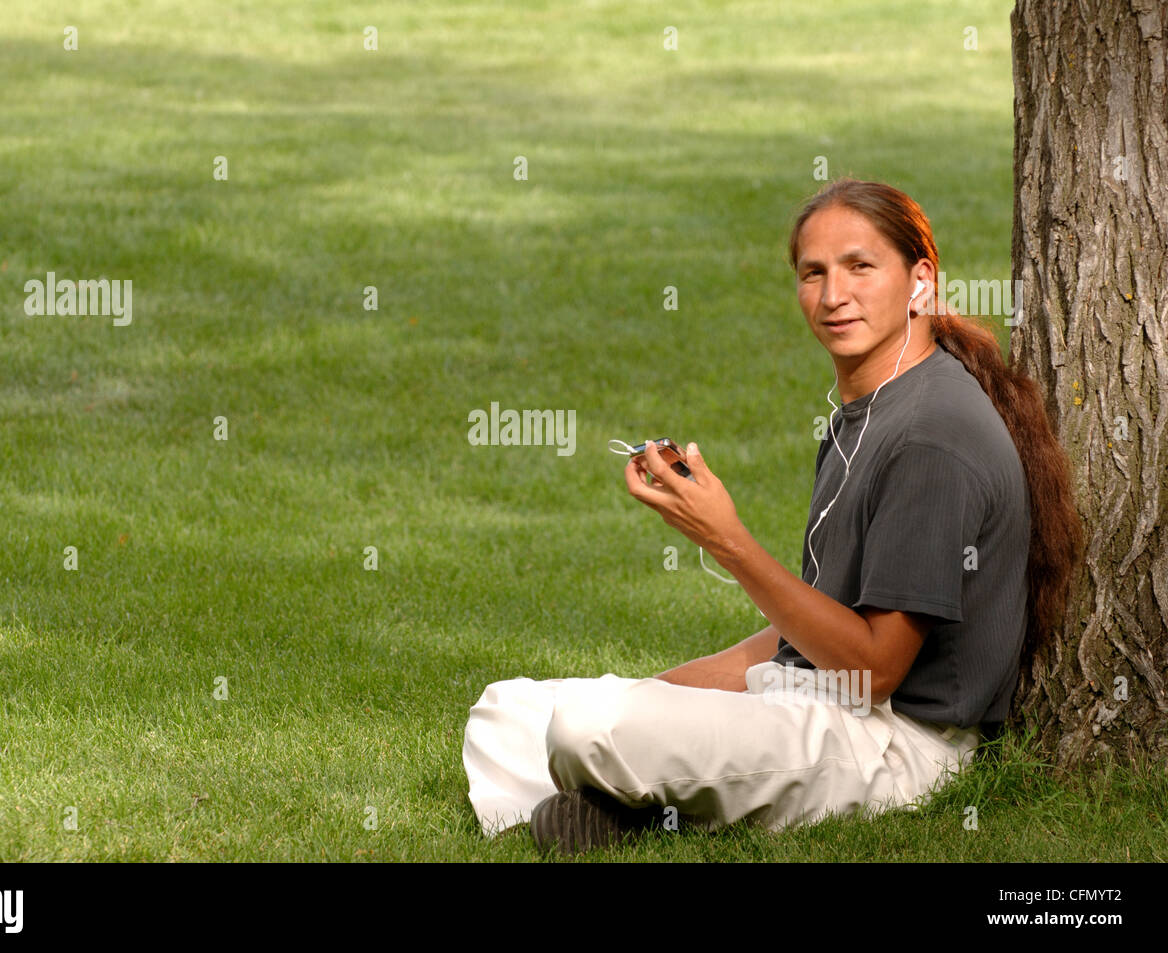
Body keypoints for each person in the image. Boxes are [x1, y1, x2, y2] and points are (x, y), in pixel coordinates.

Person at [462, 178, 1082, 855]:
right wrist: (657, 689)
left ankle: (622, 802)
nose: (832, 295)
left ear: (920, 281)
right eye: (813, 273)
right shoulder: (873, 405)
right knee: (513, 707)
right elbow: (800, 633)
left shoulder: (934, 435)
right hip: (812, 695)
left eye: (860, 266)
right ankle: (619, 802)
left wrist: (727, 541)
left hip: (896, 743)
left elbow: (874, 671)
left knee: (585, 725)